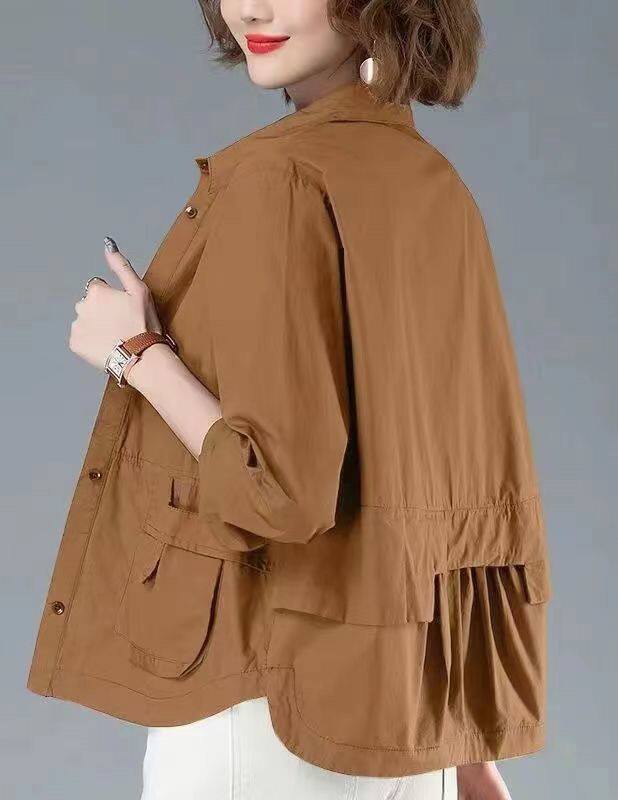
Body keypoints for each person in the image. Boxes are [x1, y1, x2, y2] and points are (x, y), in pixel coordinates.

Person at [27, 1, 552, 798]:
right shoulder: (431, 181)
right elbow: (438, 477)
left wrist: (135, 353)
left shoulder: (279, 178)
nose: (251, 8)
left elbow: (277, 489)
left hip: (267, 714)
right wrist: (463, 749)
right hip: (405, 718)